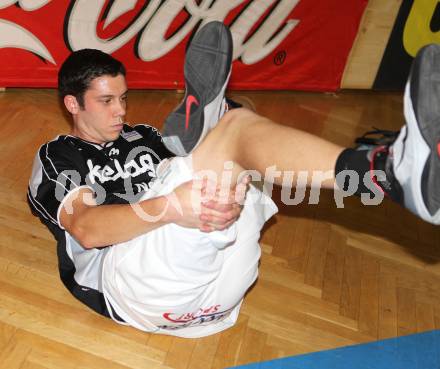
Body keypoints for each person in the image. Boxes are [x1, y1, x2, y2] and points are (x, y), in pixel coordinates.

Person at [27, 20, 440, 338]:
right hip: (133, 288)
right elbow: (87, 229)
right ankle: (384, 171)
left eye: (124, 98)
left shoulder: (147, 138)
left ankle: (220, 118)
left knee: (235, 144)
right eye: (106, 101)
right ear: (72, 104)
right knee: (232, 134)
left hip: (224, 292)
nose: (120, 111)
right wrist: (171, 208)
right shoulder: (58, 157)